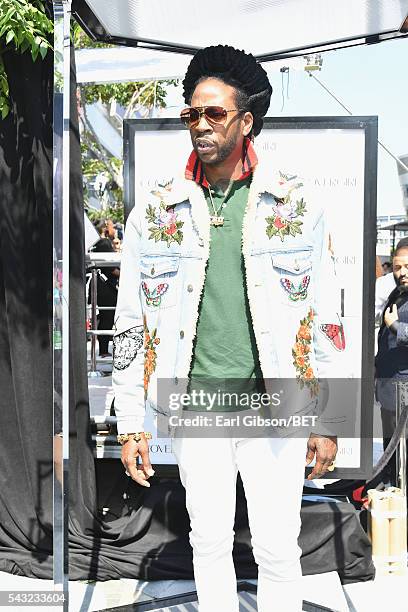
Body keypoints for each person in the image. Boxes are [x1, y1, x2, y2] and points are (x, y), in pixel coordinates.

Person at [112, 45, 340, 612]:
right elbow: (130, 322)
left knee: (279, 549)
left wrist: (331, 418)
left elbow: (327, 317)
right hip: (198, 406)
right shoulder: (155, 212)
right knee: (208, 543)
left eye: (214, 113)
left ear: (246, 120)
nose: (201, 125)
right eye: (192, 114)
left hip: (277, 404)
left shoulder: (296, 202)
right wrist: (130, 421)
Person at [375, 241, 408, 488]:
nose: (401, 272)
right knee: (391, 453)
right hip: (389, 390)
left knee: (403, 457)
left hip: (404, 391)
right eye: (397, 267)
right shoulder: (396, 293)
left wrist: (396, 327)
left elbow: (394, 328)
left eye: (407, 266)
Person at [89, 218, 119, 357]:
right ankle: (104, 350)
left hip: (102, 286)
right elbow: (112, 268)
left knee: (106, 317)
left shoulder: (99, 243)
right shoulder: (104, 243)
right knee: (107, 318)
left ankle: (104, 349)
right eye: (112, 225)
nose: (114, 228)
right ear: (106, 227)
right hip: (106, 287)